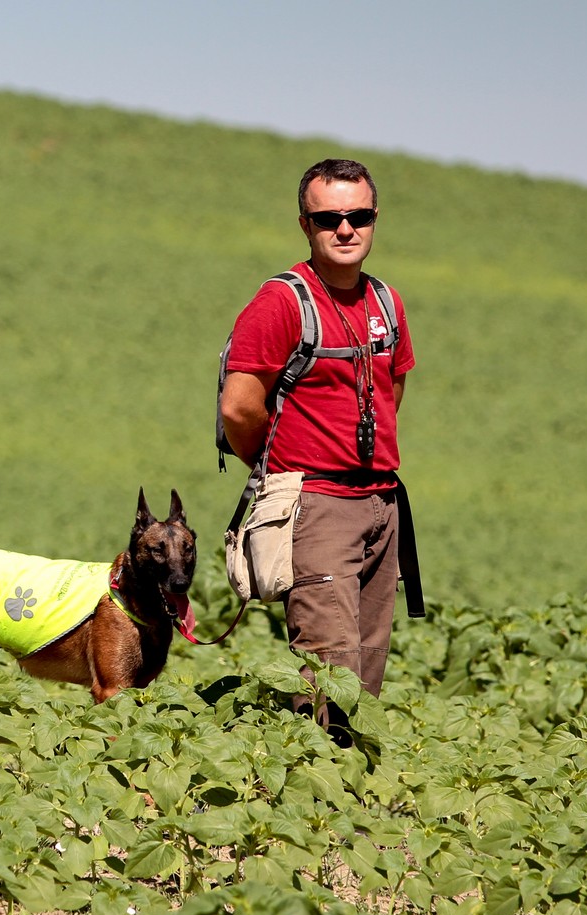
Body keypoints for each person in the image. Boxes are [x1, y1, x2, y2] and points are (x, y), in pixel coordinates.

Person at [217, 158, 416, 731]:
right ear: (305, 224)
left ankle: (351, 802)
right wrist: (283, 468)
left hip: (382, 503)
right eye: (329, 218)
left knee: (369, 670)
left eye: (359, 215)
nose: (346, 229)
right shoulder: (281, 302)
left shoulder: (386, 303)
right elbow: (239, 406)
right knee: (331, 672)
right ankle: (317, 803)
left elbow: (390, 391)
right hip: (317, 505)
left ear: (375, 218)